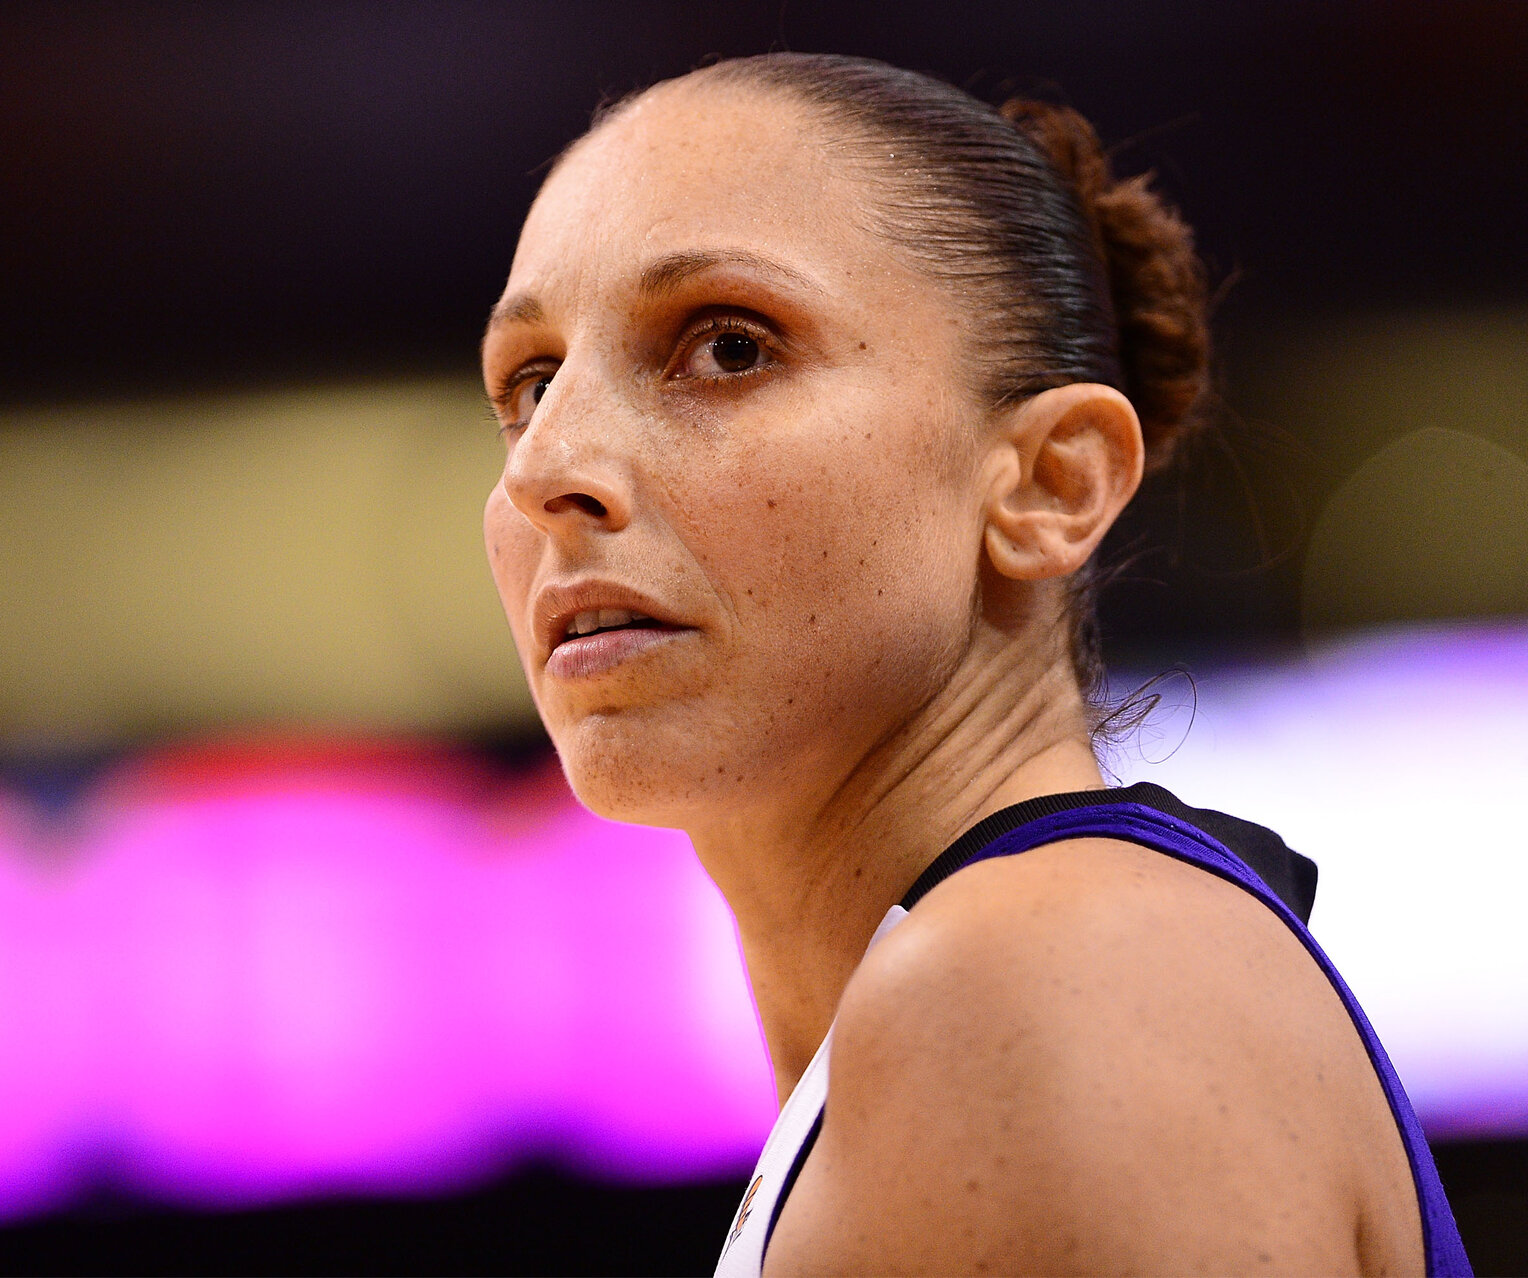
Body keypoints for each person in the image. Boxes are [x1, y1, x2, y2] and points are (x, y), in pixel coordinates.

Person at [478, 52, 1470, 1277]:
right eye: (531, 384)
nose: (543, 468)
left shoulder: (1042, 977)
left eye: (728, 348)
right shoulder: (1020, 981)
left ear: (1052, 483)